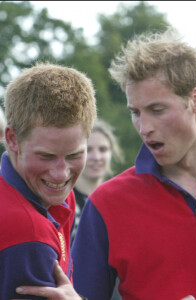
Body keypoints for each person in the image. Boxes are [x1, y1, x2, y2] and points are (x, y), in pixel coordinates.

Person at [17, 29, 196, 300]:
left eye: (156, 110)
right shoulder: (108, 203)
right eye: (135, 112)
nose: (144, 127)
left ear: (195, 100)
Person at [0, 62, 96, 299]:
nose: (61, 174)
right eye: (46, 156)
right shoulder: (28, 234)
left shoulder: (57, 195)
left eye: (74, 155)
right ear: (11, 138)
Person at [72, 118, 124, 241]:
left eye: (103, 149)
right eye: (88, 150)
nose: (96, 157)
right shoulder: (63, 201)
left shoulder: (117, 201)